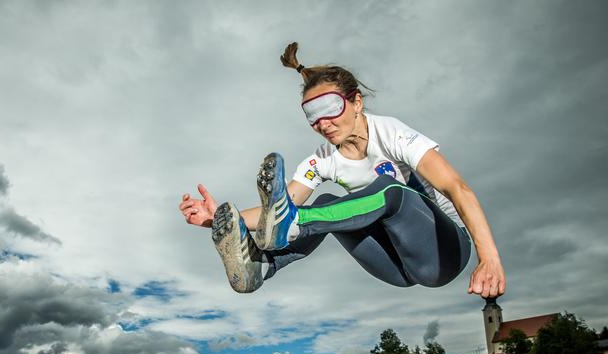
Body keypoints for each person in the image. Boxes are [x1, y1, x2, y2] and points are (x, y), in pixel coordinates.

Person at [179, 42, 505, 298]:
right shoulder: (321, 160)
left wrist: (488, 257)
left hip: (443, 254)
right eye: (312, 116)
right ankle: (263, 265)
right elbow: (276, 208)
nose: (323, 123)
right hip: (394, 267)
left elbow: (456, 188)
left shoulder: (390, 132)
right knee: (322, 202)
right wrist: (219, 217)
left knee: (388, 189)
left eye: (331, 109)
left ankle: (297, 225)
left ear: (357, 103)